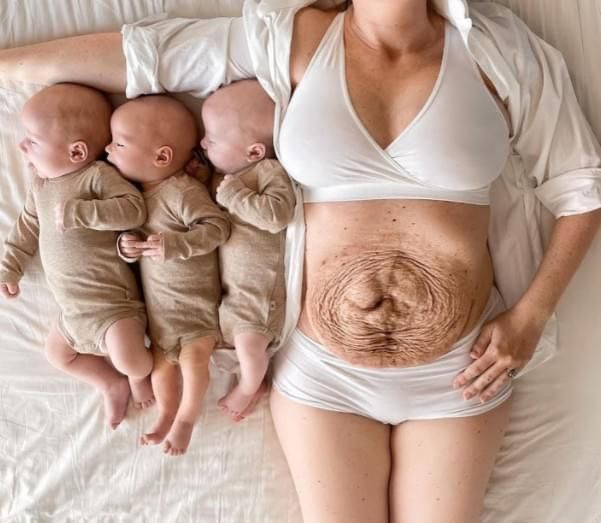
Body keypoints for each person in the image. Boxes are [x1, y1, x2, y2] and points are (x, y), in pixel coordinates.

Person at [2, 0, 601, 520]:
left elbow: (581, 187)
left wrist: (531, 317)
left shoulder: (500, 47)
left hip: (461, 369)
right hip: (324, 372)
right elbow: (140, 58)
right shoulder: (290, 37)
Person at [0, 83, 152, 430]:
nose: (22, 146)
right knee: (57, 355)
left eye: (33, 141)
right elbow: (26, 227)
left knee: (131, 358)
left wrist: (84, 213)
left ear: (77, 152)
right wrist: (10, 266)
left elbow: (134, 209)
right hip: (72, 313)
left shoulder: (96, 176)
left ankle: (138, 377)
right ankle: (108, 383)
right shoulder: (40, 187)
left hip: (114, 307)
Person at [111, 95, 231, 456]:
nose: (107, 148)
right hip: (161, 320)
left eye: (118, 143)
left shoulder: (182, 190)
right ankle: (165, 415)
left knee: (194, 365)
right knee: (162, 370)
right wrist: (126, 245)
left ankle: (186, 420)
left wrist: (175, 246)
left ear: (161, 157)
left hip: (195, 312)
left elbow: (217, 227)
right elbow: (126, 244)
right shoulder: (130, 198)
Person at [200, 79, 296, 421]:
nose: (202, 143)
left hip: (259, 289)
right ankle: (255, 378)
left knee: (249, 343)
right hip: (235, 291)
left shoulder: (267, 172)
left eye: (211, 140)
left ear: (254, 152)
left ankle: (249, 385)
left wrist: (235, 196)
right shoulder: (230, 177)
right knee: (239, 339)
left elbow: (276, 216)